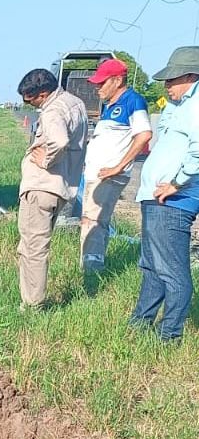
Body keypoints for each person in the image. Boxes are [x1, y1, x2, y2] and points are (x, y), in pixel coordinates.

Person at [130, 46, 199, 343]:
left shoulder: (196, 105)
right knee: (152, 266)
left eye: (172, 79)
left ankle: (169, 336)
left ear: (191, 75)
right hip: (157, 198)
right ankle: (140, 325)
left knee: (172, 271)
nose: (166, 85)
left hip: (173, 199)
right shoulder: (180, 105)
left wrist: (176, 182)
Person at [15, 68, 88, 309]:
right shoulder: (75, 103)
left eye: (31, 99)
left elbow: (60, 141)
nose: (30, 105)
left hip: (42, 186)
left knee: (32, 248)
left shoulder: (53, 110)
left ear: (44, 93)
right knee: (37, 244)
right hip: (61, 186)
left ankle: (33, 305)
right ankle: (33, 300)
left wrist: (44, 159)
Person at [80, 58, 152, 274]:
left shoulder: (133, 101)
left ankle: (92, 270)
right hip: (96, 175)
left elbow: (144, 135)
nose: (97, 88)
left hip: (109, 176)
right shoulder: (110, 105)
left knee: (94, 221)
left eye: (102, 83)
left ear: (118, 80)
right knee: (89, 219)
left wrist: (118, 167)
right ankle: (88, 266)